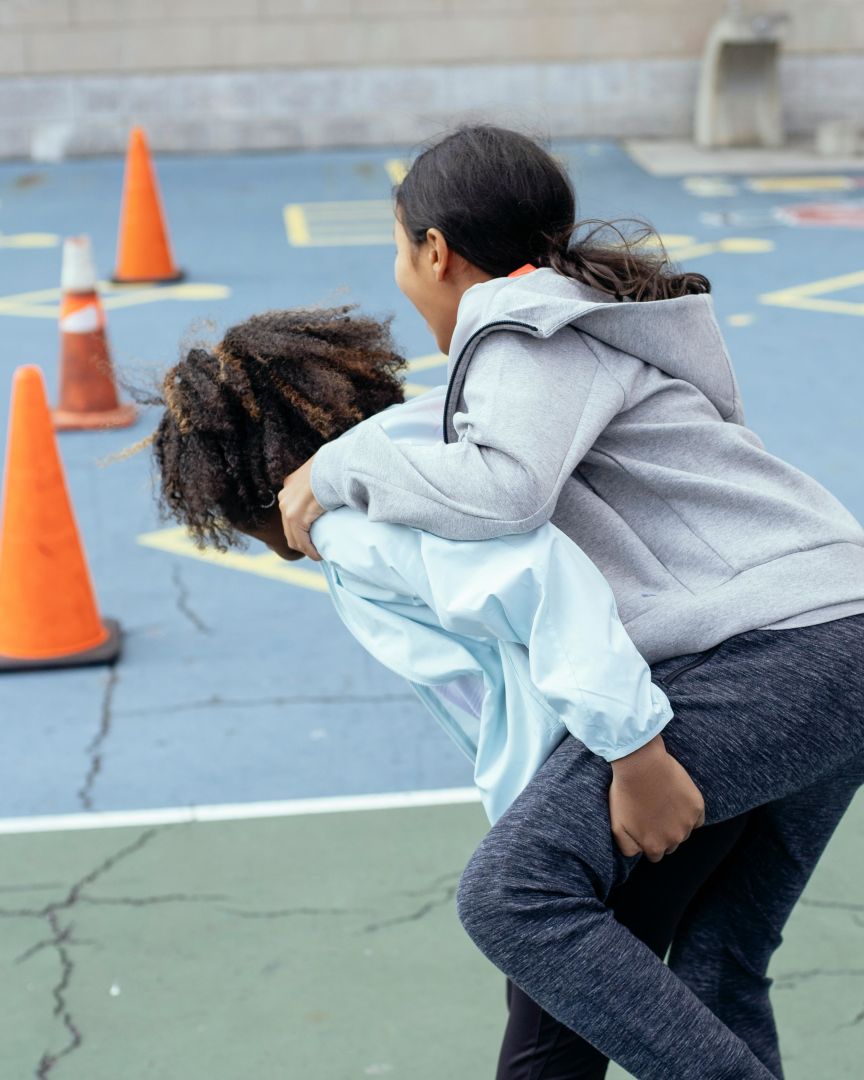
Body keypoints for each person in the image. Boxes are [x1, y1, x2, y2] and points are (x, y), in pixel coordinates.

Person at [275, 124, 864, 1079]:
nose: (402, 274)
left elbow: (506, 491)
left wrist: (339, 463)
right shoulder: (577, 326)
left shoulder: (527, 331)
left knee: (513, 896)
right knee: (717, 964)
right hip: (850, 650)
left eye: (397, 247)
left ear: (435, 251)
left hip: (775, 656)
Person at [141, 306, 754, 1075]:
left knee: (546, 1051)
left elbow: (540, 584)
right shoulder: (417, 452)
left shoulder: (354, 531)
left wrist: (634, 754)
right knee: (663, 999)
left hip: (629, 771)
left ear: (232, 495)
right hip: (652, 739)